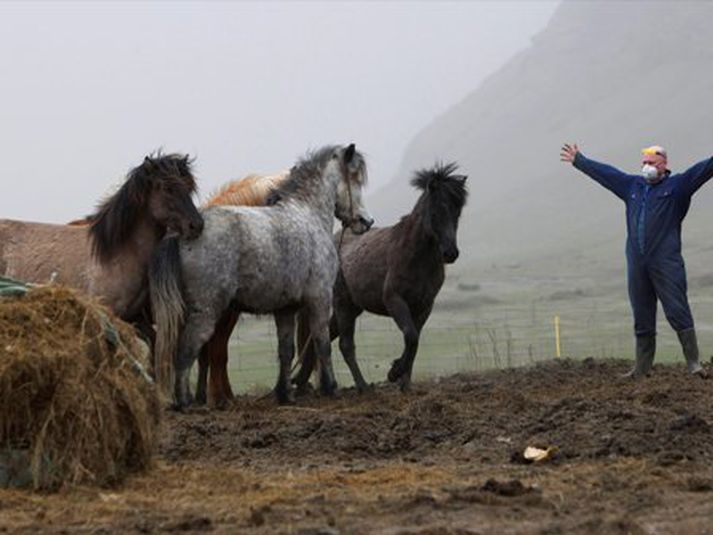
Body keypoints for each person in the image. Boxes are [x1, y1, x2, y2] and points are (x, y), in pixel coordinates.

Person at [560, 143, 713, 378]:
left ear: (664, 164)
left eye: (652, 163)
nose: (647, 167)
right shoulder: (633, 186)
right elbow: (607, 174)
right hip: (637, 262)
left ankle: (693, 363)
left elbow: (704, 170)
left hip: (666, 261)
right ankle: (641, 369)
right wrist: (579, 160)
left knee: (677, 309)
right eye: (644, 163)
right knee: (641, 312)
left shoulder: (678, 186)